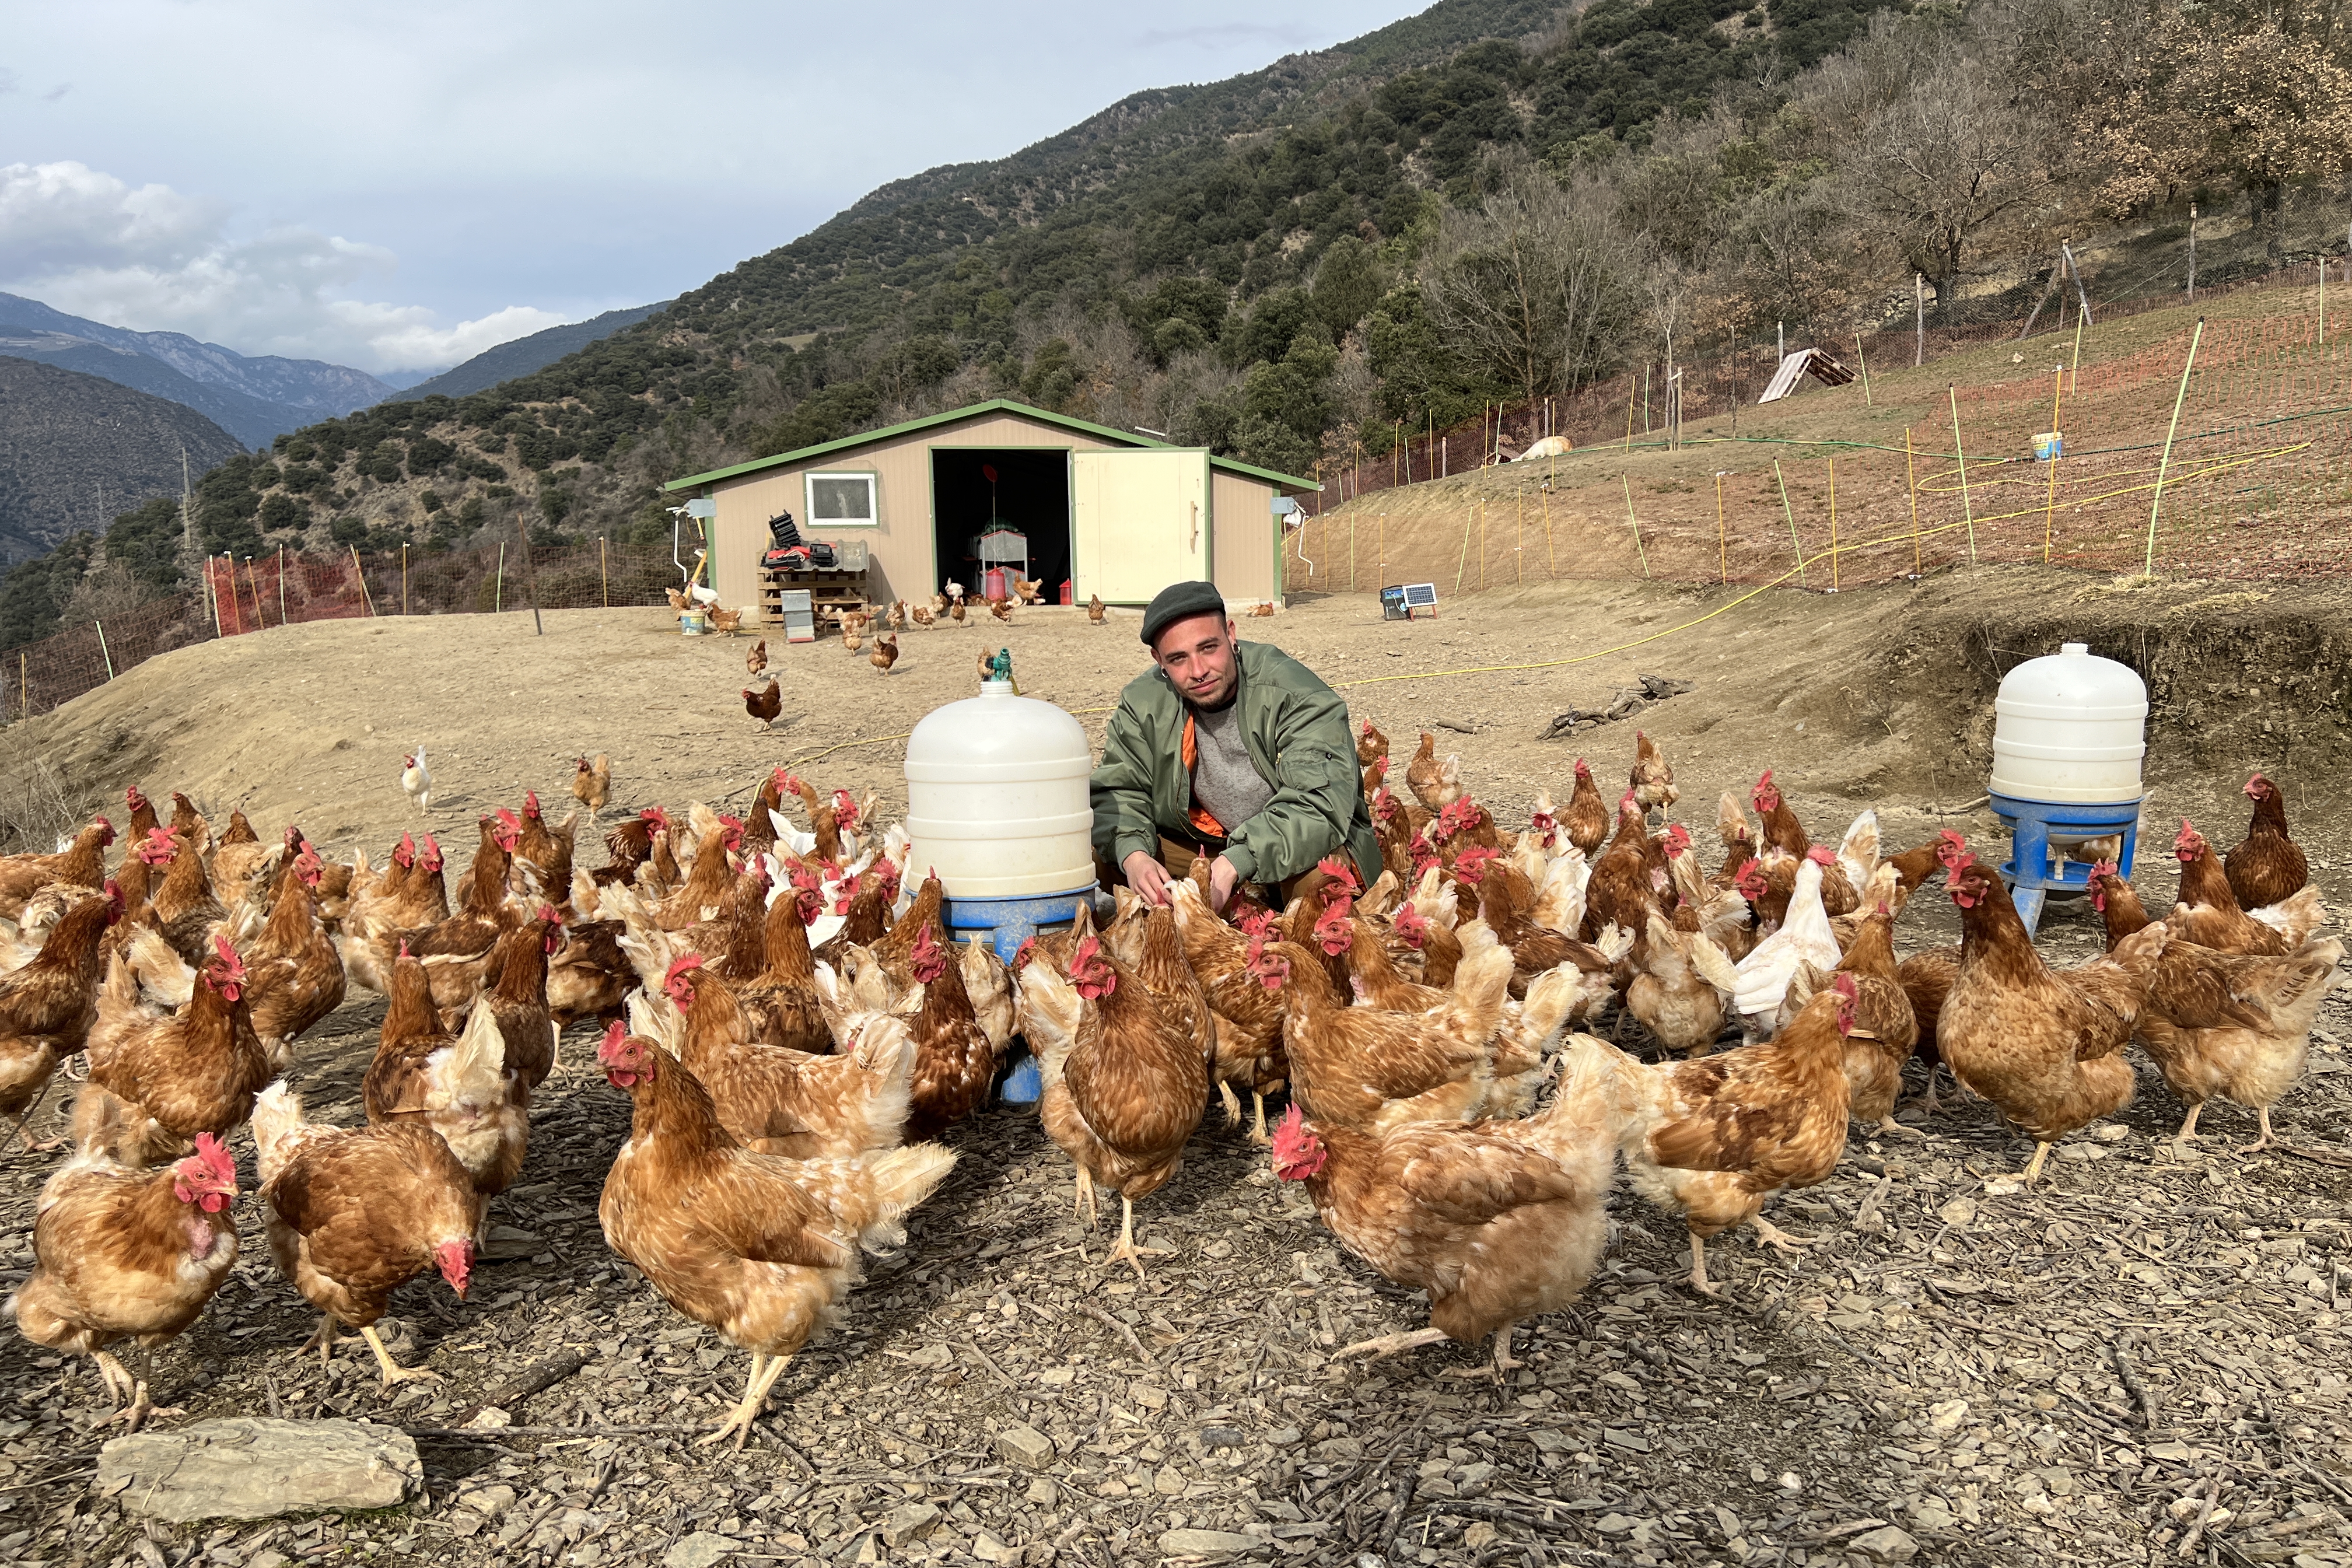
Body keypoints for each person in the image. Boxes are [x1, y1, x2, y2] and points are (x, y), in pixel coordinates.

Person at [1091, 580, 1380, 913]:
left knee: (1319, 893)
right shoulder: (1142, 703)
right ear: (1159, 660)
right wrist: (1135, 857)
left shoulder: (1295, 694)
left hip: (1294, 843)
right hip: (1209, 845)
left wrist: (1235, 863)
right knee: (1099, 854)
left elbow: (1317, 805)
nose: (1198, 671)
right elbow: (1120, 790)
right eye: (1178, 659)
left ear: (1231, 634)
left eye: (1208, 648)